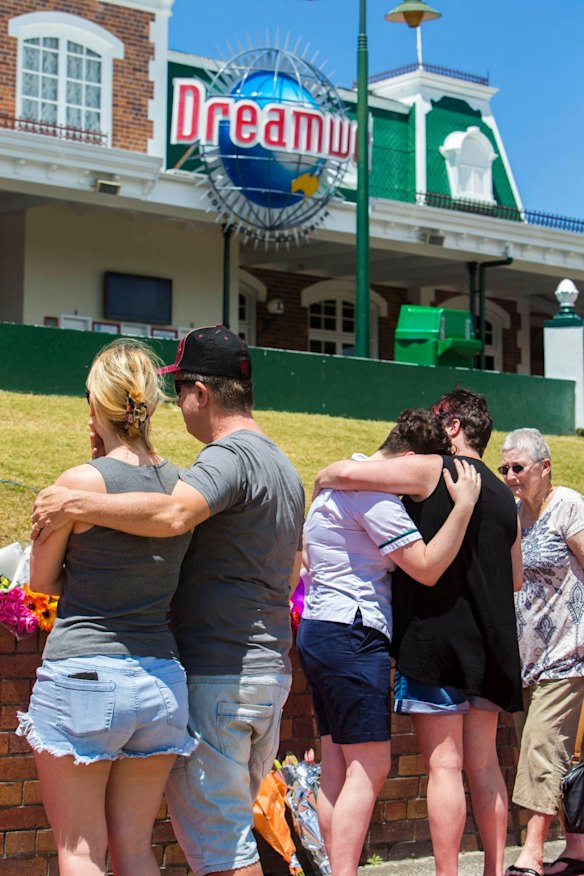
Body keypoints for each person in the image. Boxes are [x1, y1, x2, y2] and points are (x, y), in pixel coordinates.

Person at [31, 325, 305, 876]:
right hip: (235, 676)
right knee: (156, 846)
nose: (179, 406)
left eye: (183, 392)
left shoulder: (224, 461)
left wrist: (76, 502)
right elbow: (292, 563)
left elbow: (170, 516)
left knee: (210, 849)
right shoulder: (280, 466)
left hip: (205, 674)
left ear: (200, 394)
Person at [313, 388, 523, 876]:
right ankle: (494, 869)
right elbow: (514, 578)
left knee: (444, 766)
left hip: (436, 638)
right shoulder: (503, 497)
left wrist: (326, 474)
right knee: (486, 764)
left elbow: (350, 474)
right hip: (491, 644)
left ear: (452, 428)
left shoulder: (435, 470)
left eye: (438, 423)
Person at [18, 339, 196, 876]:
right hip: (163, 682)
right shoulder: (184, 485)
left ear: (95, 406)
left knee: (80, 849)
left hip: (85, 675)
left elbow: (40, 583)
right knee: (136, 849)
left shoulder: (78, 484)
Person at [500, 428, 584, 876]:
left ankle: (531, 854)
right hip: (525, 661)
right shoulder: (513, 517)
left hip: (569, 654)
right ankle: (576, 850)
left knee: (540, 747)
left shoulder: (568, 507)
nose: (511, 476)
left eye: (519, 468)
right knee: (554, 755)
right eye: (505, 469)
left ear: (545, 467)